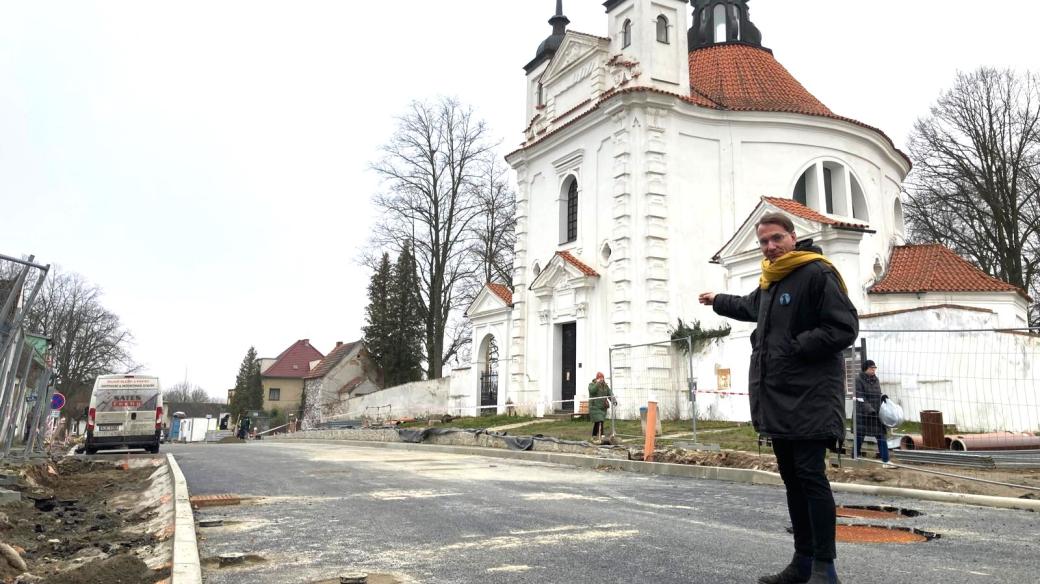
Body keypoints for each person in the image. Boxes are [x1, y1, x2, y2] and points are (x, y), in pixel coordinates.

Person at [699, 212, 858, 584]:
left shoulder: (817, 273)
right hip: (778, 399)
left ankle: (825, 569)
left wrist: (795, 347)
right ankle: (802, 563)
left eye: (776, 239)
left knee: (810, 477)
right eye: (764, 242)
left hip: (811, 398)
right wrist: (718, 300)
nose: (770, 247)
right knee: (792, 480)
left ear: (792, 236)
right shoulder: (772, 280)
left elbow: (844, 326)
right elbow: (751, 307)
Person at [854, 360, 889, 464]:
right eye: (871, 368)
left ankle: (886, 460)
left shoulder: (876, 379)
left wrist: (882, 398)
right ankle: (854, 456)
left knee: (881, 436)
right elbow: (860, 397)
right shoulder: (858, 380)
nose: (873, 370)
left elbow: (877, 394)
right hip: (863, 414)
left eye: (874, 368)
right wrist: (869, 409)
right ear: (865, 369)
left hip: (876, 414)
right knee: (859, 436)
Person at [587, 372, 614, 444]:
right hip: (594, 407)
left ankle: (593, 436)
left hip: (602, 407)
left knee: (597, 422)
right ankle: (602, 436)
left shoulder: (605, 386)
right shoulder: (592, 385)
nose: (601, 379)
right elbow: (592, 391)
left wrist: (613, 400)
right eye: (599, 378)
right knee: (600, 420)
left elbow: (609, 393)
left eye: (602, 378)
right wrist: (597, 384)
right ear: (597, 378)